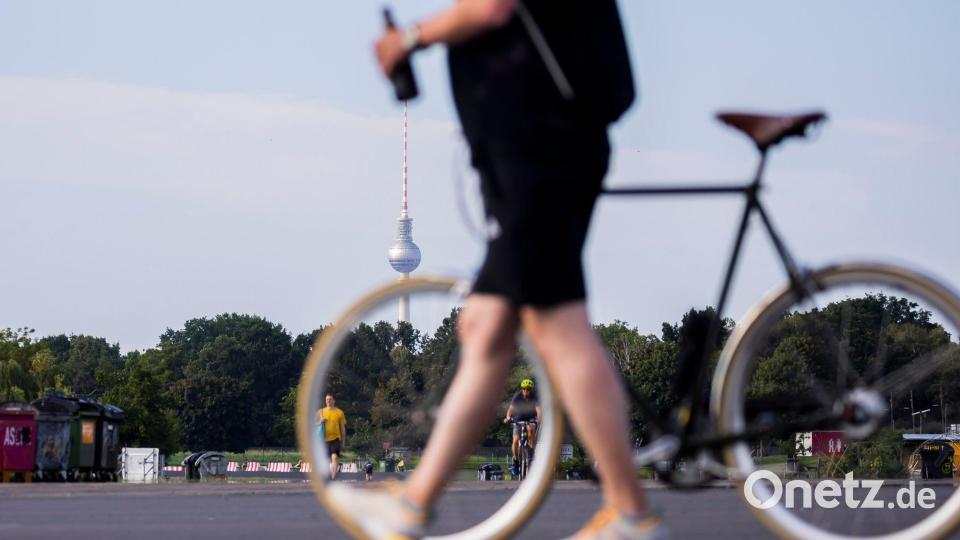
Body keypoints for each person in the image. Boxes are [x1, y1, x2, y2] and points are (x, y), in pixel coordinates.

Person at [332, 1, 666, 538]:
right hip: (540, 145)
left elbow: (492, 8)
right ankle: (414, 504)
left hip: (540, 146)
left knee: (559, 328)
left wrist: (411, 38)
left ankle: (632, 513)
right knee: (485, 327)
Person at [503, 378, 541, 476]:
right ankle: (515, 460)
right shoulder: (517, 397)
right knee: (516, 440)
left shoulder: (535, 397)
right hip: (518, 419)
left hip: (531, 419)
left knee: (530, 430)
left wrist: (539, 418)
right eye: (524, 389)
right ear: (522, 389)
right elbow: (511, 409)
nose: (526, 391)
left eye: (528, 389)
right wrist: (507, 417)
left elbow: (538, 410)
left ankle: (532, 452)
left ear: (531, 389)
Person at [318, 394, 347, 480]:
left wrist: (343, 442)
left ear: (334, 401)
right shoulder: (321, 412)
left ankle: (333, 477)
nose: (328, 401)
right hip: (324, 439)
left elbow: (342, 428)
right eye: (327, 399)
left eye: (330, 399)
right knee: (326, 459)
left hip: (335, 438)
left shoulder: (339, 412)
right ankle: (326, 475)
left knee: (334, 457)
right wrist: (320, 421)